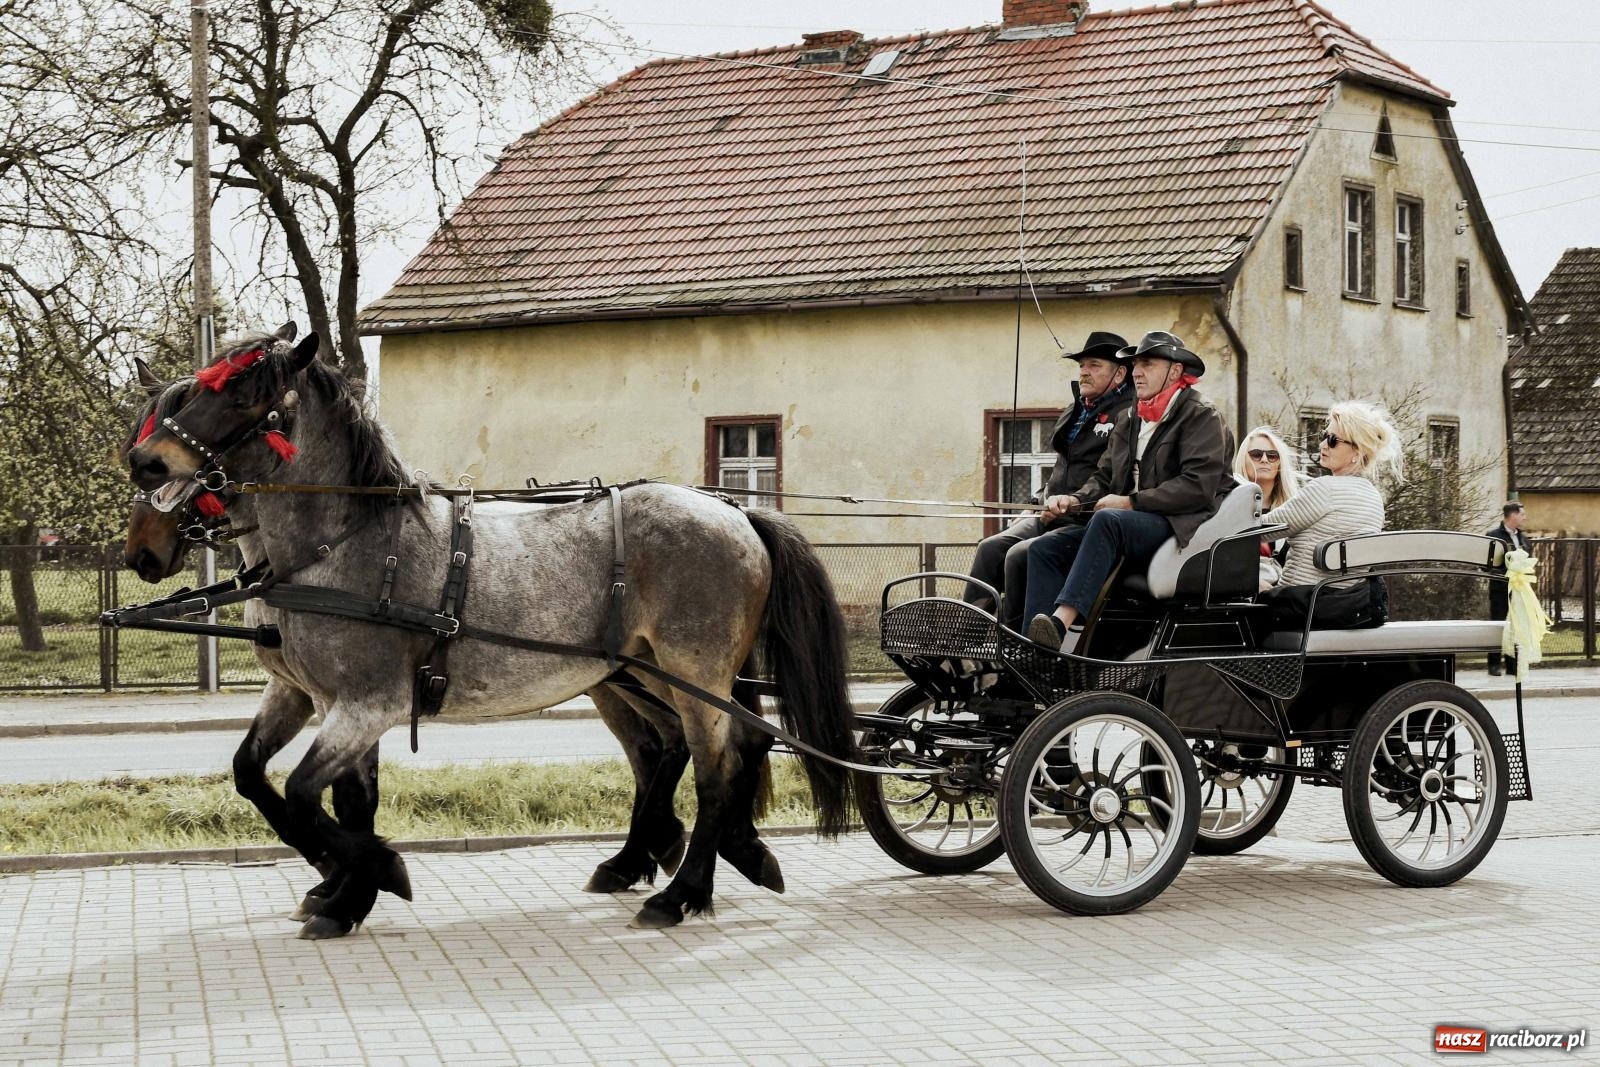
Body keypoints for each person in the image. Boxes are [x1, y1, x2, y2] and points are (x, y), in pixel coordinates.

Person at [1023, 331, 1232, 651]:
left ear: (1174, 371)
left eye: (1147, 364)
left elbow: (1197, 487)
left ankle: (1060, 622)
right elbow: (1105, 476)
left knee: (1108, 521)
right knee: (1044, 548)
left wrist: (1131, 502)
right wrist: (1076, 498)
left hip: (1178, 525)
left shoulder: (1201, 414)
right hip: (1127, 524)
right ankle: (1035, 651)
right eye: (1135, 364)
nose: (1136, 371)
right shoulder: (1132, 415)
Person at [965, 331, 1135, 629]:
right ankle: (967, 633)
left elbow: (1109, 477)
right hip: (1050, 510)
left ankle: (1017, 640)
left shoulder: (1128, 415)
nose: (1084, 371)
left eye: (1094, 365)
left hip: (1085, 518)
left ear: (1119, 373)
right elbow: (1061, 467)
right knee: (990, 548)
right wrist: (1036, 500)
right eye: (1082, 365)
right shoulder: (1077, 408)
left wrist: (1073, 500)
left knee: (1020, 554)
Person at [1256, 401, 1401, 630]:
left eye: (1333, 440)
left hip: (1303, 608)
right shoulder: (1374, 498)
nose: (1323, 444)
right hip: (1346, 606)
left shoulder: (1325, 489)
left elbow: (1260, 531)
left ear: (1357, 452)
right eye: (1325, 436)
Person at [1232, 425, 1302, 590]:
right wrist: (1250, 583)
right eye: (1256, 454)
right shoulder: (1227, 507)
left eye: (1272, 456)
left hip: (1283, 596)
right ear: (1244, 459)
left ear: (1279, 463)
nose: (1264, 459)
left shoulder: (1296, 509)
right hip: (1239, 599)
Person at [1486, 501, 1533, 675]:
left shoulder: (1522, 537)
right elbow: (1488, 564)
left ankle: (1512, 665)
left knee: (1516, 626)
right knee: (1498, 625)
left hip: (1518, 588)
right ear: (1512, 515)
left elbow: (1528, 557)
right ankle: (1494, 664)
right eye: (1522, 514)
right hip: (1500, 588)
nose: (1524, 517)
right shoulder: (1494, 536)